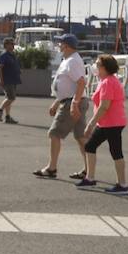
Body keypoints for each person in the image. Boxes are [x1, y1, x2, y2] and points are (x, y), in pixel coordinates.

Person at [33, 33, 87, 178]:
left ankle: (52, 168)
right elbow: (67, 85)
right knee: (81, 137)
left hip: (72, 102)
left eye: (60, 43)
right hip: (71, 101)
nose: (58, 45)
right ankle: (88, 169)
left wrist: (74, 103)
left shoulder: (72, 61)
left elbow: (81, 82)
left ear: (67, 46)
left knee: (54, 134)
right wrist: (57, 101)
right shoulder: (69, 60)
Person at [76, 54, 128, 194]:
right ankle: (90, 178)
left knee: (115, 152)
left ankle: (122, 185)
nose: (95, 66)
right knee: (90, 146)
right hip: (108, 122)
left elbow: (104, 106)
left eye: (98, 64)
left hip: (112, 122)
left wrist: (91, 123)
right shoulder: (106, 80)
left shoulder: (108, 82)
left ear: (105, 68)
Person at [0, 38, 21, 124]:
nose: (13, 45)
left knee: (8, 98)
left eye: (13, 44)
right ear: (6, 45)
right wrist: (0, 79)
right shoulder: (4, 55)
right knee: (11, 98)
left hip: (13, 79)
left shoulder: (12, 54)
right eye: (11, 44)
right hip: (7, 80)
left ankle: (7, 117)